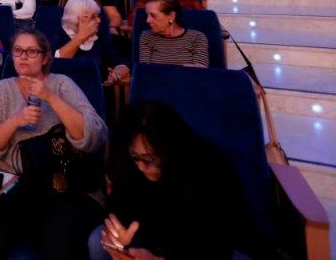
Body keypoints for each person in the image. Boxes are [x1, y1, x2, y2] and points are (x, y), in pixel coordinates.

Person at [0, 30, 108, 258]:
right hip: (12, 182)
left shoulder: (62, 84)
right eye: (17, 51)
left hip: (60, 182)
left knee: (60, 240)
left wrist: (50, 98)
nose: (23, 56)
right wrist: (16, 120)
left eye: (31, 51)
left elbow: (95, 134)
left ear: (45, 58)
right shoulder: (3, 89)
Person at [94, 101, 267, 260]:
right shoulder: (130, 165)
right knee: (96, 243)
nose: (141, 166)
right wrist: (122, 239)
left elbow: (216, 240)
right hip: (154, 243)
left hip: (214, 248)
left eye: (149, 159)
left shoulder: (209, 167)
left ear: (170, 149)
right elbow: (122, 206)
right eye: (135, 157)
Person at [47, 0, 130, 85]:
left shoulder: (98, 39)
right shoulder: (55, 36)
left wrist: (116, 74)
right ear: (75, 19)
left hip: (96, 94)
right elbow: (55, 64)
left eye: (98, 16)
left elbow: (122, 63)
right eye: (93, 17)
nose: (99, 20)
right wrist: (80, 38)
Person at [137, 0, 209, 67]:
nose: (147, 20)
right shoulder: (147, 36)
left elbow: (200, 72)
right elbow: (144, 70)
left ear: (171, 16)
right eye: (147, 15)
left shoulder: (197, 37)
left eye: (153, 15)